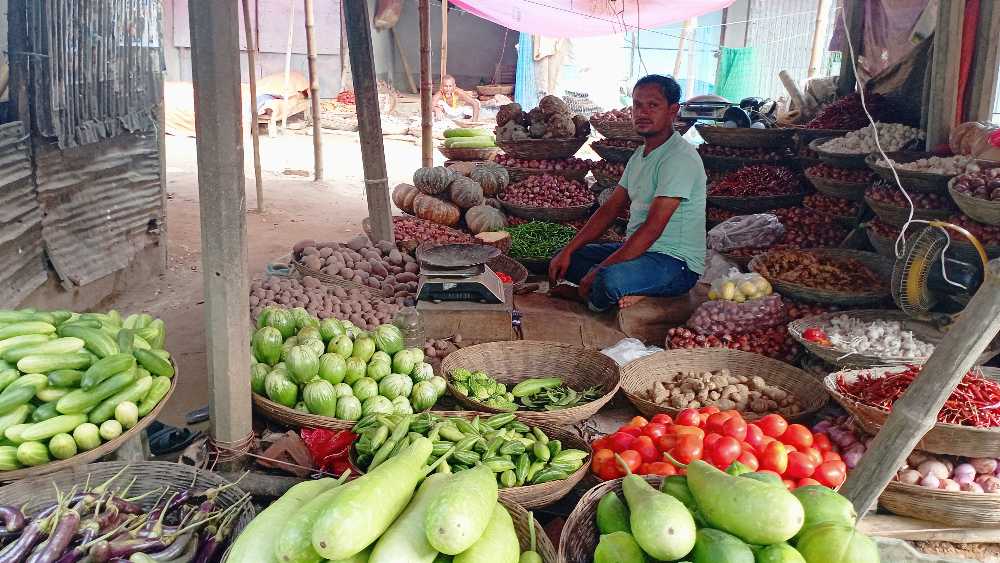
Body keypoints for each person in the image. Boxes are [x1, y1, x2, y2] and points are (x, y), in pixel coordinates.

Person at [549, 74, 706, 311]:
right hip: (642, 253)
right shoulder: (639, 155)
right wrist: (569, 250)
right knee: (566, 259)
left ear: (673, 111)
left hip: (675, 263)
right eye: (637, 105)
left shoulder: (679, 158)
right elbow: (610, 209)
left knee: (608, 279)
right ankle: (625, 289)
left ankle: (592, 297)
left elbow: (652, 228)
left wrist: (601, 270)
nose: (642, 113)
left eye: (653, 105)